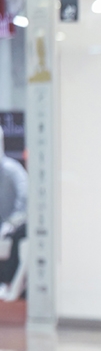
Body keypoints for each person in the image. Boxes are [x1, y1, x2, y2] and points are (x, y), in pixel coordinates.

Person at [0, 126, 27, 302]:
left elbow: (26, 199)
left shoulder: (12, 170)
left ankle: (6, 284)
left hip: (13, 226)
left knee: (13, 236)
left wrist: (10, 223)